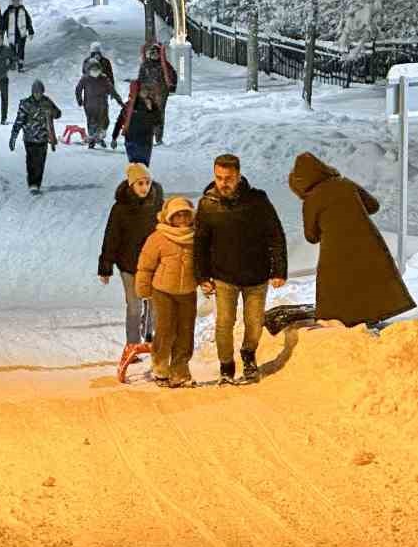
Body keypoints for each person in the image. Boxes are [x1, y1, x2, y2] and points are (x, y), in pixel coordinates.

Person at [288, 152, 415, 327]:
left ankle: (342, 320)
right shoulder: (345, 184)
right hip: (367, 241)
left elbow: (311, 236)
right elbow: (373, 206)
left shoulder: (311, 199)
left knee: (338, 285)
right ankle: (374, 314)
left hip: (335, 250)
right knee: (368, 276)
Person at [194, 153, 287, 385]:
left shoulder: (257, 201)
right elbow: (200, 243)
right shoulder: (208, 204)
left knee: (254, 323)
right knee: (224, 323)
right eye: (219, 177)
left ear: (238, 175)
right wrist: (202, 276)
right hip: (224, 276)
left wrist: (279, 270)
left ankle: (248, 355)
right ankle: (226, 366)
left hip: (256, 275)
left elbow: (275, 235)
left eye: (228, 178)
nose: (223, 183)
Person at [99, 162, 165, 362]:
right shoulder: (120, 209)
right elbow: (111, 236)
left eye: (147, 183)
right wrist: (106, 266)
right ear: (131, 185)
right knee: (134, 306)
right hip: (128, 265)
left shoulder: (158, 205)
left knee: (154, 304)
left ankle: (152, 339)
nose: (145, 188)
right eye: (140, 184)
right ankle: (133, 345)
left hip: (153, 264)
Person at [135, 195, 199, 388]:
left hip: (188, 292)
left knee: (185, 332)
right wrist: (143, 288)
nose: (182, 219)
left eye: (185, 215)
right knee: (165, 330)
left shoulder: (197, 237)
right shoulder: (158, 238)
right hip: (163, 292)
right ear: (169, 217)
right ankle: (160, 368)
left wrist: (207, 280)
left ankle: (180, 370)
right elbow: (145, 266)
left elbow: (205, 262)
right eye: (177, 215)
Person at [8, 79, 61, 194]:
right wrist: (13, 136)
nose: (38, 94)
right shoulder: (26, 104)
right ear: (32, 92)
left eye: (40, 92)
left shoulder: (47, 102)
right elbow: (19, 121)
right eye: (36, 92)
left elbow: (58, 114)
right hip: (29, 138)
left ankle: (37, 183)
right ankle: (32, 183)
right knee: (31, 161)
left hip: (43, 138)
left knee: (40, 162)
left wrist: (52, 112)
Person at [111, 80, 162, 165]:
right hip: (136, 141)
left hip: (141, 141)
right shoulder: (131, 106)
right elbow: (120, 122)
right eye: (143, 90)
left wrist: (151, 110)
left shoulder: (151, 105)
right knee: (138, 165)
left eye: (146, 90)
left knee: (139, 165)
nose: (145, 93)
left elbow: (158, 122)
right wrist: (114, 137)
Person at [137, 41, 178, 145]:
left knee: (158, 115)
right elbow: (141, 78)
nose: (155, 55)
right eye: (153, 53)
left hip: (161, 93)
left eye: (157, 53)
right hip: (148, 93)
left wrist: (172, 86)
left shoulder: (164, 65)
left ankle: (158, 138)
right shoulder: (145, 65)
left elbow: (173, 75)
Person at [76, 63, 124, 149]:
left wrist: (119, 101)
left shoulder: (104, 78)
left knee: (104, 123)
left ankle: (98, 138)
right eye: (93, 69)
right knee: (92, 123)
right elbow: (78, 89)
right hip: (89, 105)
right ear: (89, 70)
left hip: (102, 105)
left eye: (96, 69)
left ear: (100, 69)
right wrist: (79, 100)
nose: (95, 71)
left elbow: (112, 90)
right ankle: (92, 140)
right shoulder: (85, 78)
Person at [4, 0, 34, 71]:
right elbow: (4, 22)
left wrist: (30, 31)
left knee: (21, 50)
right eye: (14, 1)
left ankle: (20, 65)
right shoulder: (8, 11)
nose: (16, 2)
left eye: (17, 1)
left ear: (19, 1)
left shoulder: (23, 10)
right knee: (12, 51)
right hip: (11, 34)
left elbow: (28, 21)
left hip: (21, 34)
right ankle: (13, 63)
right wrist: (1, 32)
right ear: (12, 2)